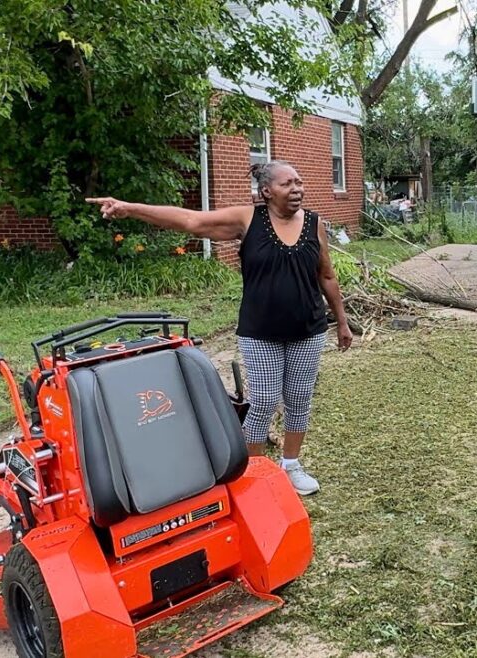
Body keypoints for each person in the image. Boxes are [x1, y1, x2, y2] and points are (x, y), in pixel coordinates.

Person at [86, 160, 353, 496]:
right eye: (287, 184)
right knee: (265, 401)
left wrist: (341, 321)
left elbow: (326, 275)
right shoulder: (247, 219)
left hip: (308, 329)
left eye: (299, 182)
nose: (297, 189)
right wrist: (130, 209)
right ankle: (251, 476)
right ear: (267, 191)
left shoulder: (314, 223)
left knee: (299, 399)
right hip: (260, 332)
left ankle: (291, 465)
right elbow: (191, 221)